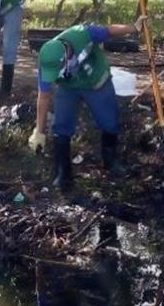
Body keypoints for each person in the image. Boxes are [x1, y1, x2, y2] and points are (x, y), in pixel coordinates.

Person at [28, 20, 142, 190]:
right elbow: (44, 96)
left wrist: (133, 27)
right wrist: (39, 131)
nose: (55, 74)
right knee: (61, 126)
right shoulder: (47, 61)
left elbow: (109, 31)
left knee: (109, 122)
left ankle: (110, 161)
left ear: (65, 57)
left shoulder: (81, 34)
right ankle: (63, 174)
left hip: (97, 82)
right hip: (68, 88)